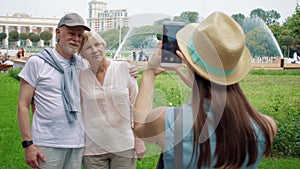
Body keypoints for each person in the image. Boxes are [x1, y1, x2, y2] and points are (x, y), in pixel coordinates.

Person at [134, 11, 277, 169]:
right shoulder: (266, 127)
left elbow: (139, 127)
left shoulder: (167, 120)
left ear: (188, 62)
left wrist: (149, 73)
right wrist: (193, 75)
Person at [17, 13, 138, 169]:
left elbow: (104, 66)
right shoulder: (37, 62)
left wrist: (128, 68)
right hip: (47, 142)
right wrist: (28, 144)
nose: (76, 38)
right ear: (58, 33)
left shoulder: (82, 65)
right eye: (71, 33)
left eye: (79, 35)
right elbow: (23, 104)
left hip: (78, 143)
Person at [78, 31, 146, 169]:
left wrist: (138, 139)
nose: (95, 50)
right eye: (88, 47)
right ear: (82, 53)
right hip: (92, 148)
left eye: (97, 45)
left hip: (123, 145)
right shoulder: (80, 77)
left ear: (104, 45)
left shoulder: (124, 68)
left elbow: (135, 106)